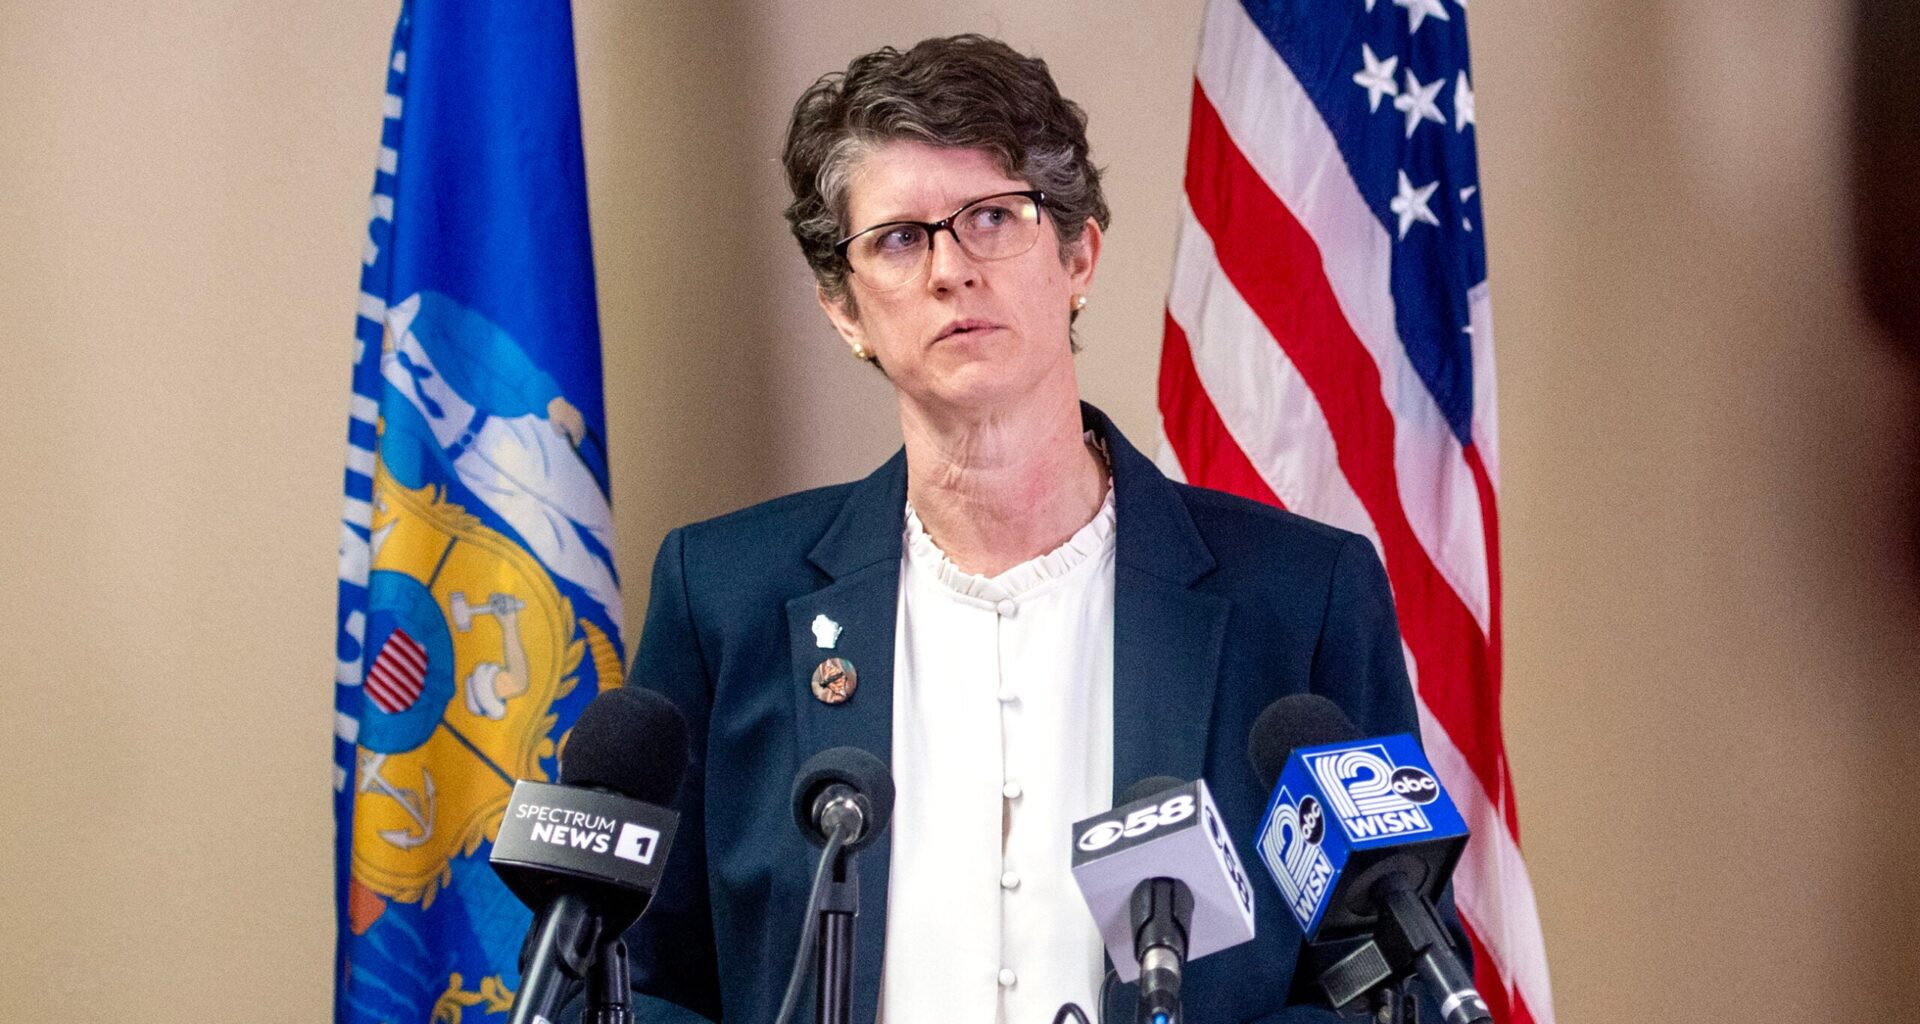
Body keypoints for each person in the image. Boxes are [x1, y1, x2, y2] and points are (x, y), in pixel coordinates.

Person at [619, 35, 1463, 1024]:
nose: (949, 270)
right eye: (898, 238)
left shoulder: (1302, 598)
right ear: (844, 309)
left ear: (1078, 256)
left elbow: (1390, 977)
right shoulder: (725, 596)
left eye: (991, 218)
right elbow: (640, 977)